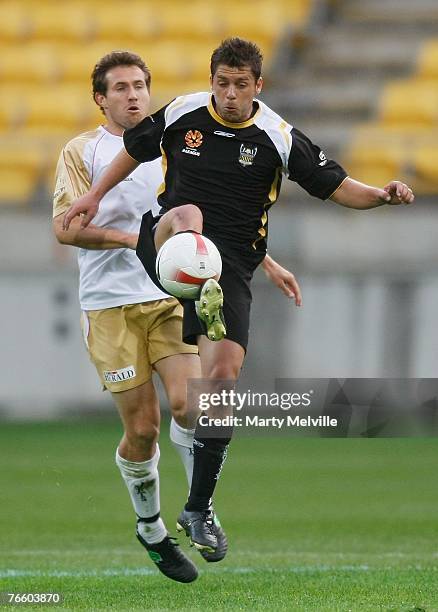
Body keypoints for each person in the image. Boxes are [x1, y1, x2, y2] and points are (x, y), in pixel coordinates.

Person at [63, 36, 414, 555]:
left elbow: (338, 185)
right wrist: (92, 196)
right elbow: (135, 149)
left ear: (258, 86)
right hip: (165, 245)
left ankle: (198, 508)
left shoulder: (275, 134)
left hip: (225, 275)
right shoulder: (184, 112)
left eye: (240, 85)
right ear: (212, 81)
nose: (229, 94)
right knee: (189, 216)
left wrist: (382, 196)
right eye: (222, 83)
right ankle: (157, 513)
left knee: (218, 388)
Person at [53, 49, 302, 580]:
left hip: (169, 296)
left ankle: (200, 507)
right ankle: (151, 529)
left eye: (140, 85)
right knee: (143, 429)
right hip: (109, 304)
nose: (133, 95)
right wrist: (142, 240)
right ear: (101, 99)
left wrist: (267, 263)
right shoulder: (82, 152)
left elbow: (212, 229)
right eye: (119, 88)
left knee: (193, 402)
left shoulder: (171, 145)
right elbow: (65, 227)